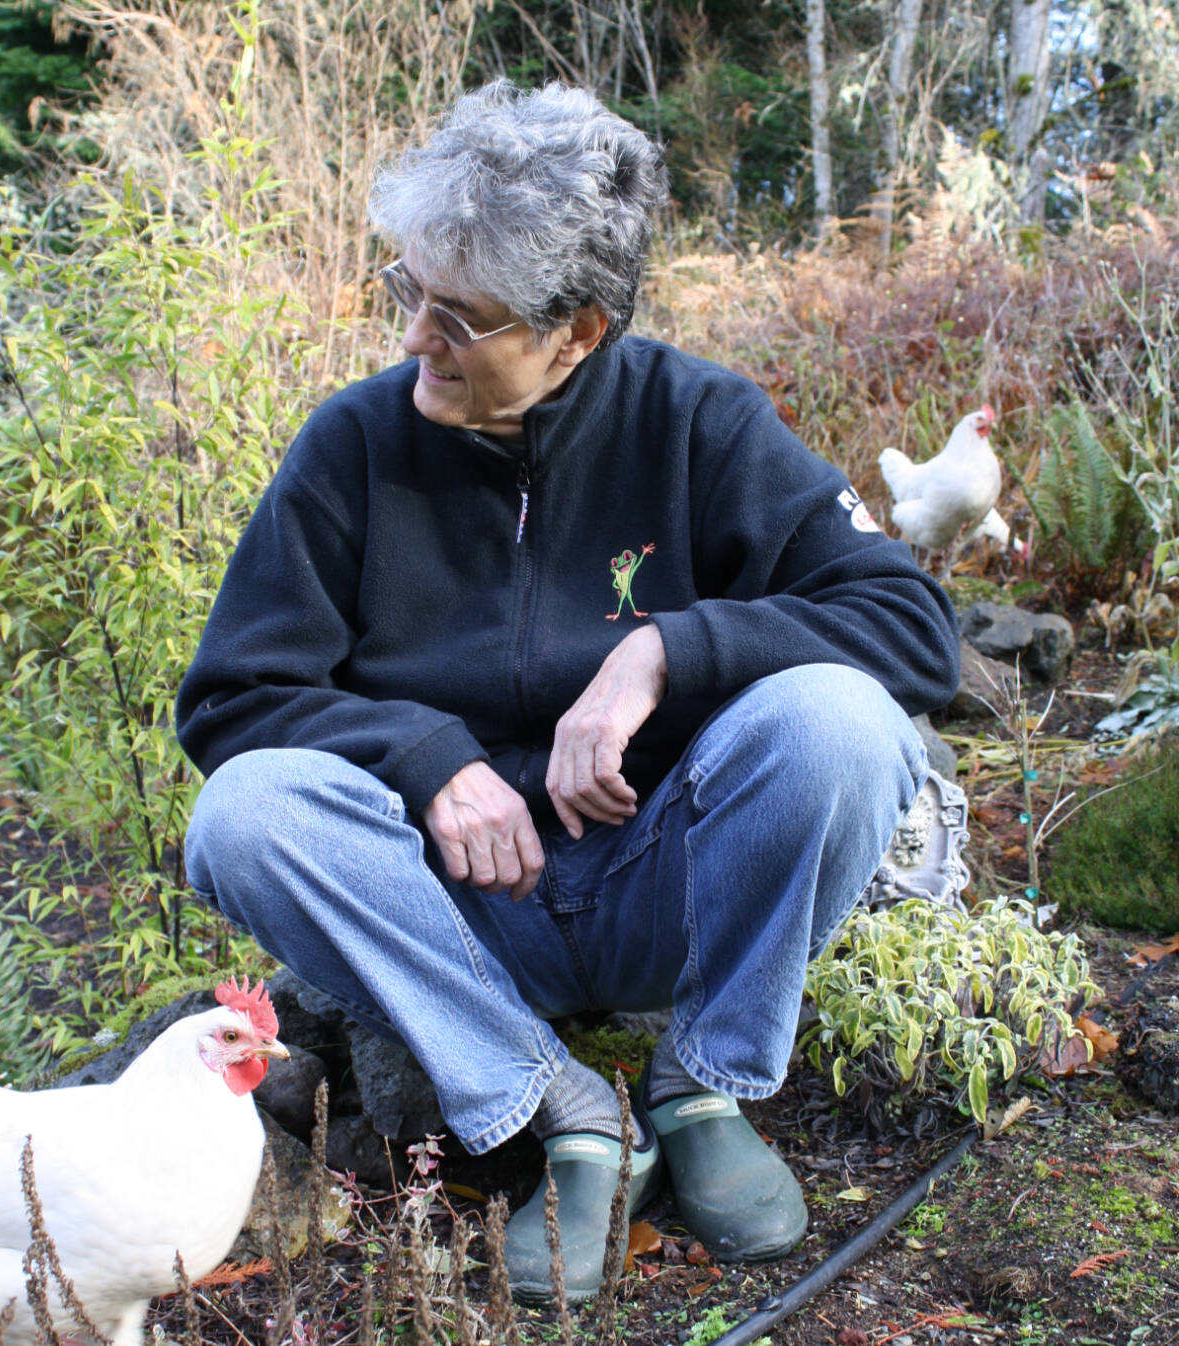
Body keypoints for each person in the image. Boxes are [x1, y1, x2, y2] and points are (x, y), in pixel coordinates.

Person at [177, 81, 959, 1303]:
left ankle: (702, 1080)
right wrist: (423, 755)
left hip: (669, 883)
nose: (412, 339)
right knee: (245, 813)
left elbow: (910, 626)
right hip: (461, 918)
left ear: (577, 330)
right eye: (406, 290)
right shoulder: (352, 447)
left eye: (459, 316)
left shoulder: (698, 422)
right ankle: (560, 1106)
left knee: (839, 721)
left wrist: (661, 653)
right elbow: (230, 700)